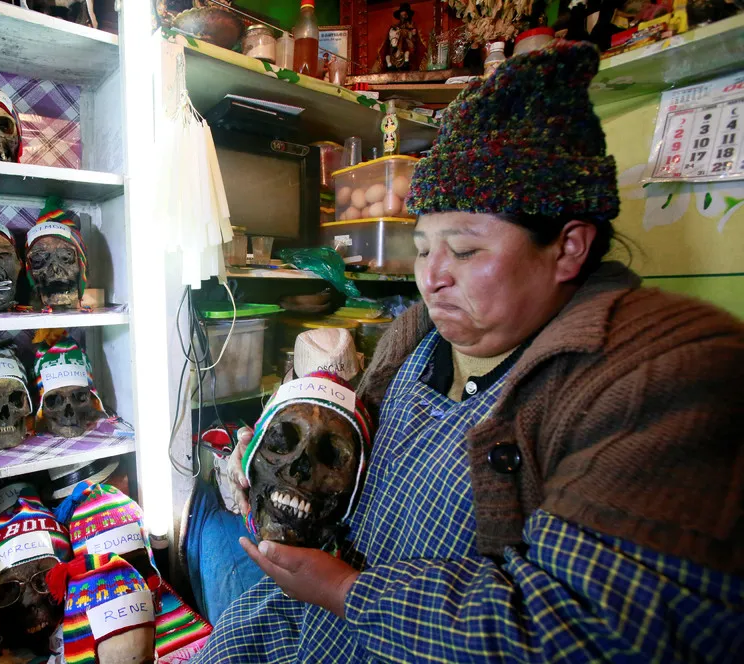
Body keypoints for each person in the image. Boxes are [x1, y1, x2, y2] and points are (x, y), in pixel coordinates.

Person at [193, 41, 744, 663]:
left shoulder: (666, 371)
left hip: (384, 632)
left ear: (568, 248)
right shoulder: (419, 336)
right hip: (306, 623)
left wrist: (348, 591)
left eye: (465, 250)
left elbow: (601, 632)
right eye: (424, 248)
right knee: (207, 510)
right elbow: (349, 470)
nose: (432, 279)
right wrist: (275, 461)